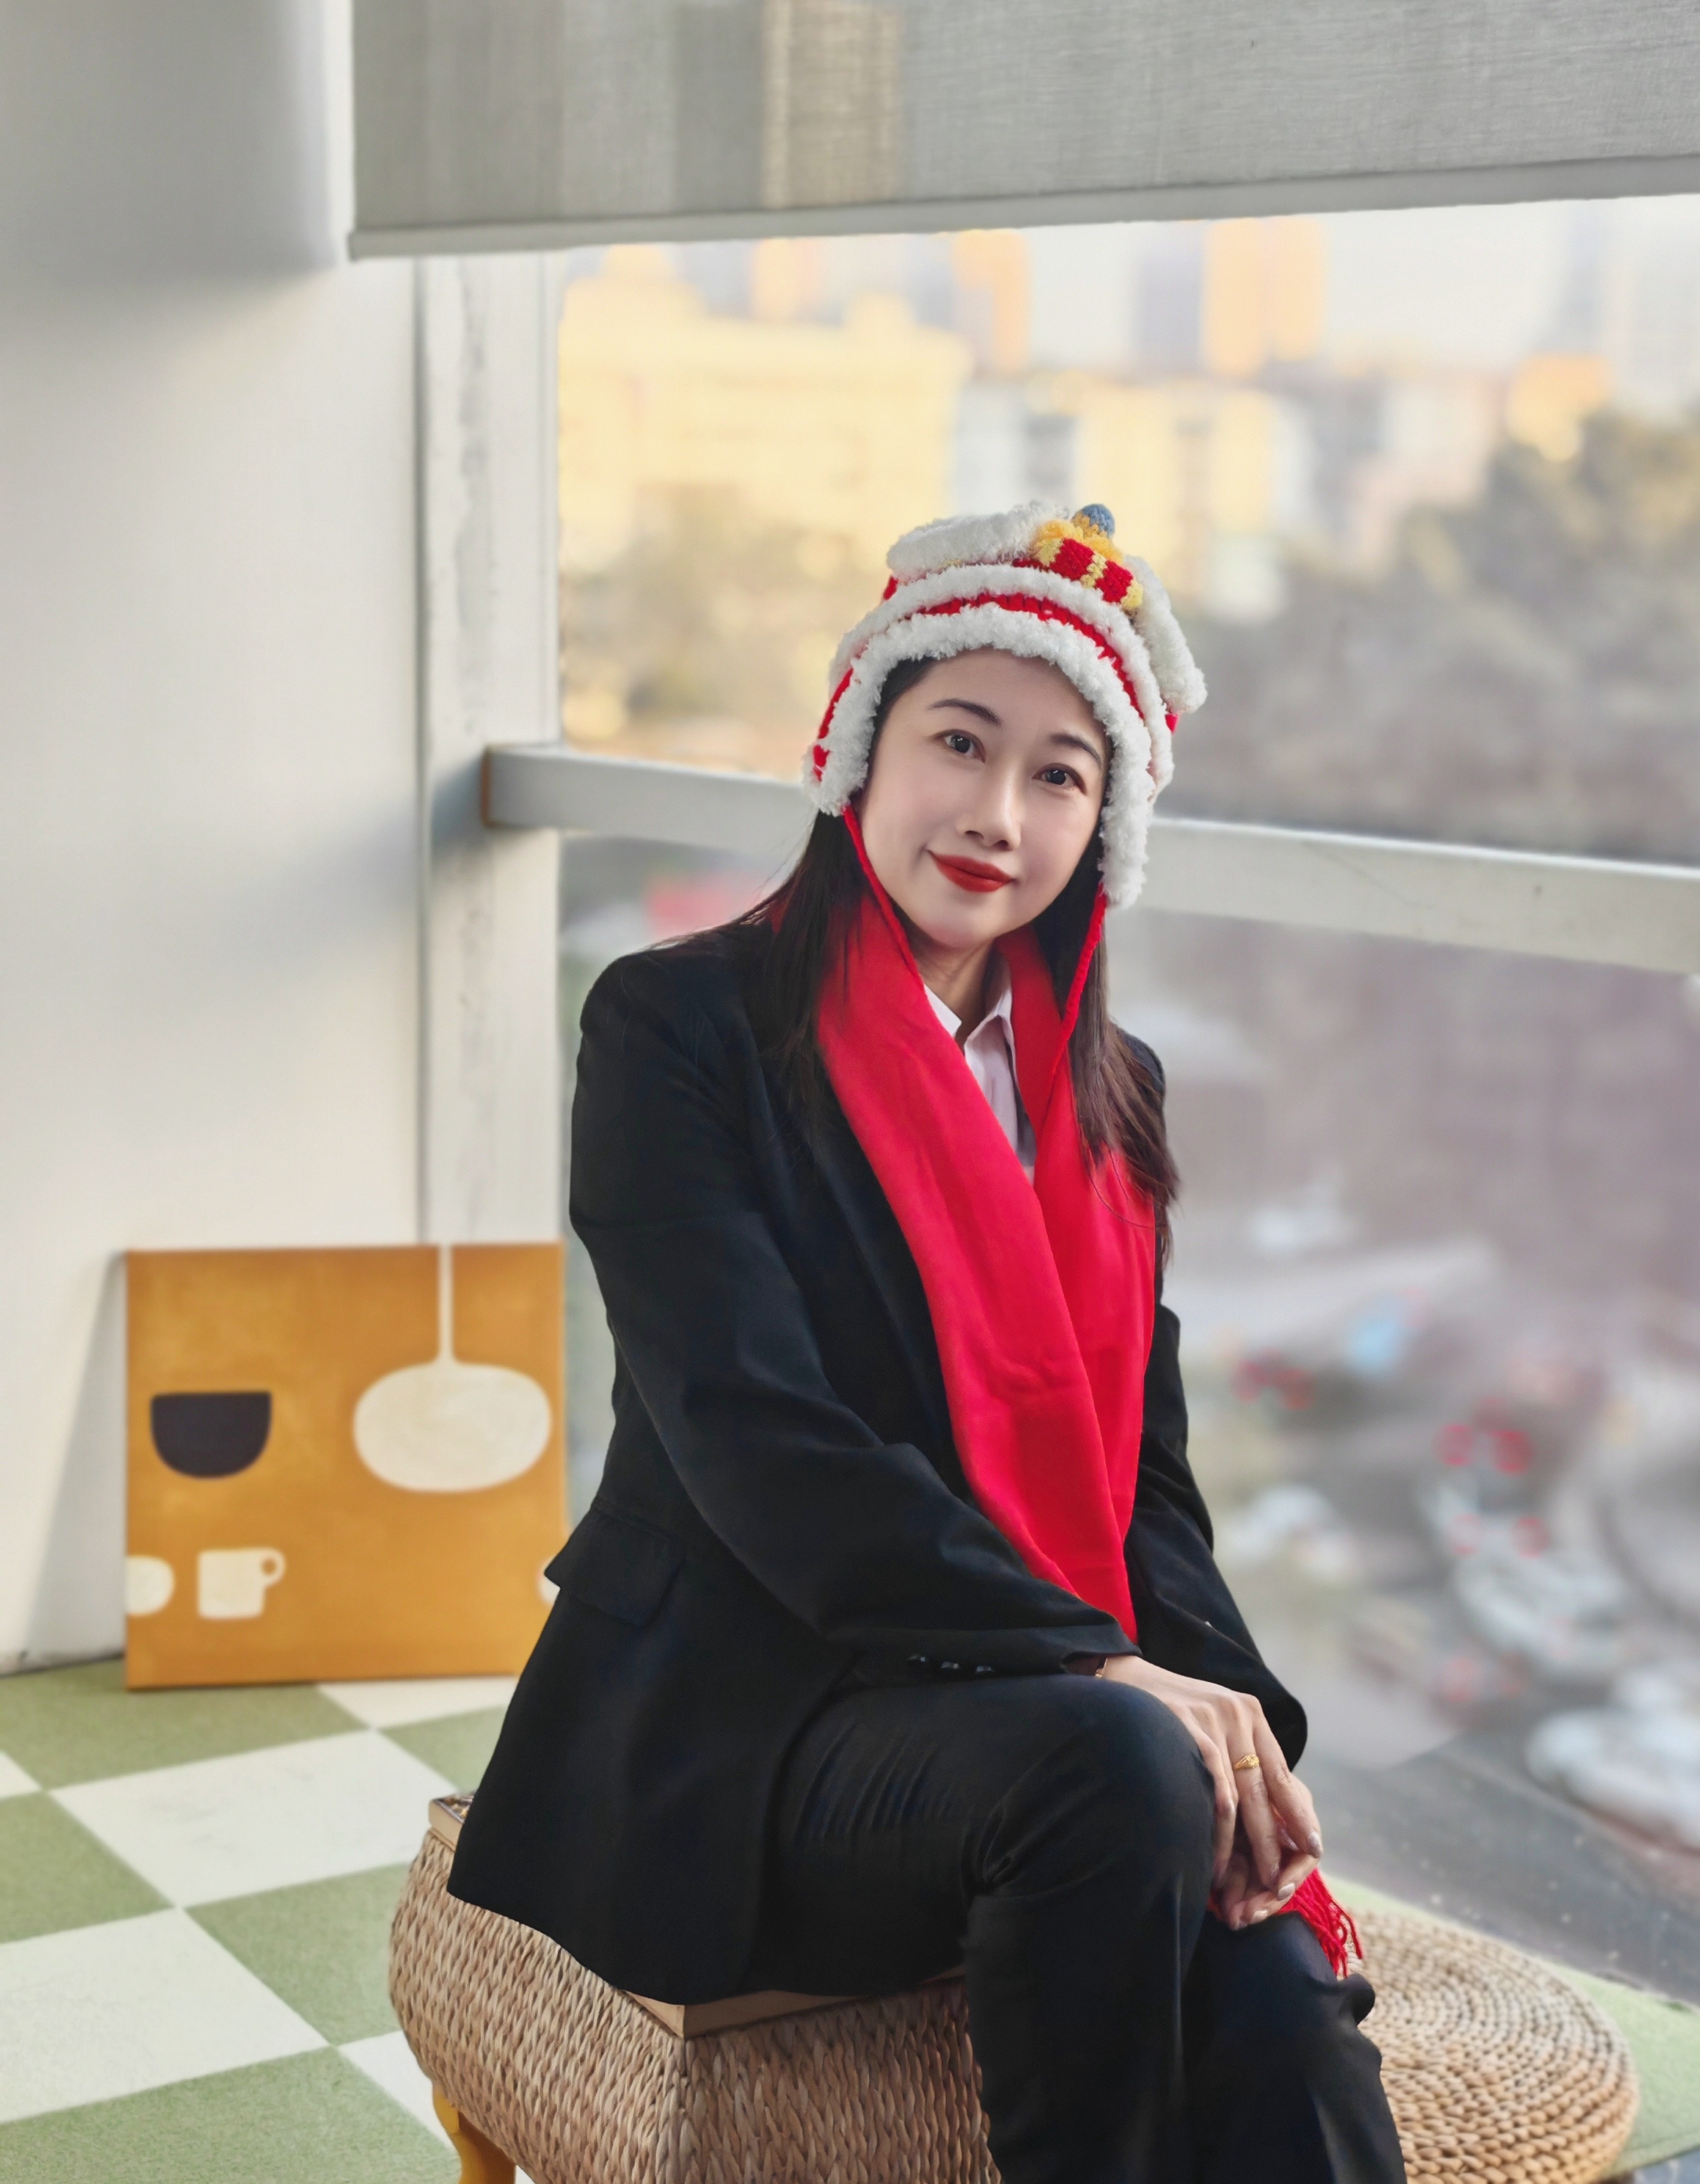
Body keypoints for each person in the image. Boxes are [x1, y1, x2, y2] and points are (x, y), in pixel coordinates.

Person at [450, 503, 1407, 2184]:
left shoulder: (1110, 1096)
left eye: (1060, 776)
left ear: (1104, 827)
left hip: (1029, 1717)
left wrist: (1236, 1722)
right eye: (960, 742)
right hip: (757, 1722)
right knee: (1117, 1761)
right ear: (859, 750)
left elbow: (1144, 1485)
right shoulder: (679, 1027)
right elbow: (757, 1438)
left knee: (1276, 2003)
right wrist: (1103, 1670)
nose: (997, 813)